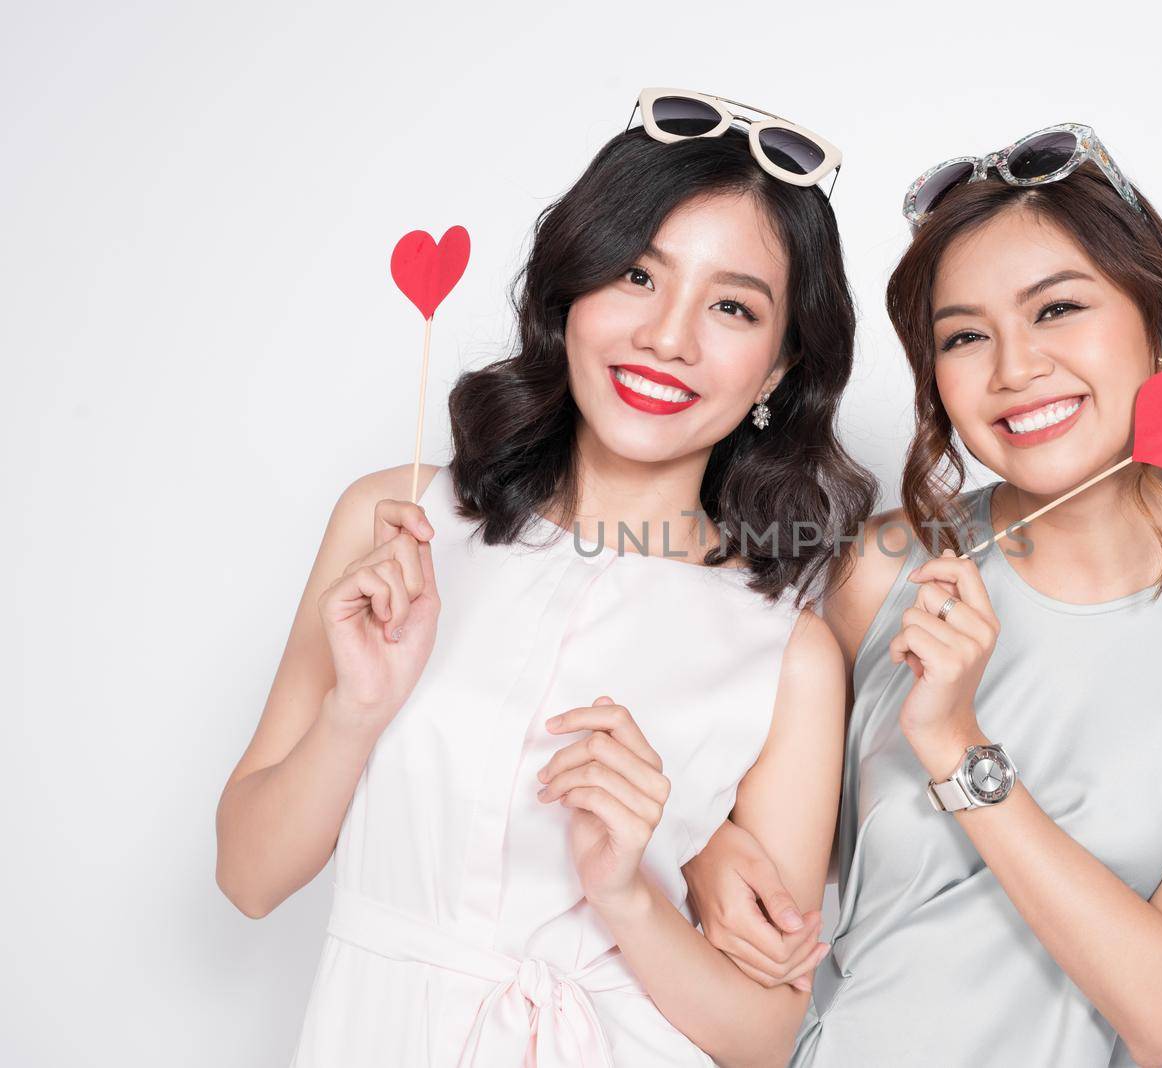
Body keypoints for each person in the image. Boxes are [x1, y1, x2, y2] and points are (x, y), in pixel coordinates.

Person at [215, 89, 875, 1067]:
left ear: (778, 370)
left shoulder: (789, 652)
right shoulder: (396, 522)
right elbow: (249, 876)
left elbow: (771, 1035)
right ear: (569, 293)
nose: (669, 337)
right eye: (636, 276)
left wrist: (628, 898)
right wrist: (355, 713)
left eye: (731, 306)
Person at [682, 123, 1162, 1066]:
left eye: (1057, 310)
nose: (1013, 368)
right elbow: (731, 825)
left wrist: (955, 743)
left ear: (1158, 322)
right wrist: (700, 854)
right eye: (964, 336)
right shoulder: (880, 569)